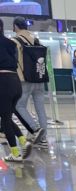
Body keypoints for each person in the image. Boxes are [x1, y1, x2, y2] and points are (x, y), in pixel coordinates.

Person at [12, 16, 48, 149]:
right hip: (39, 78)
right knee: (40, 109)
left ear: (15, 26)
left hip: (25, 80)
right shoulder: (36, 39)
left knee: (19, 106)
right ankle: (43, 140)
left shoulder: (15, 41)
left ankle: (35, 129)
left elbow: (14, 62)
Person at [0, 18, 32, 162]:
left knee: (5, 119)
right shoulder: (11, 43)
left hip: (3, 82)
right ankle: (23, 142)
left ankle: (15, 153)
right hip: (15, 82)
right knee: (5, 115)